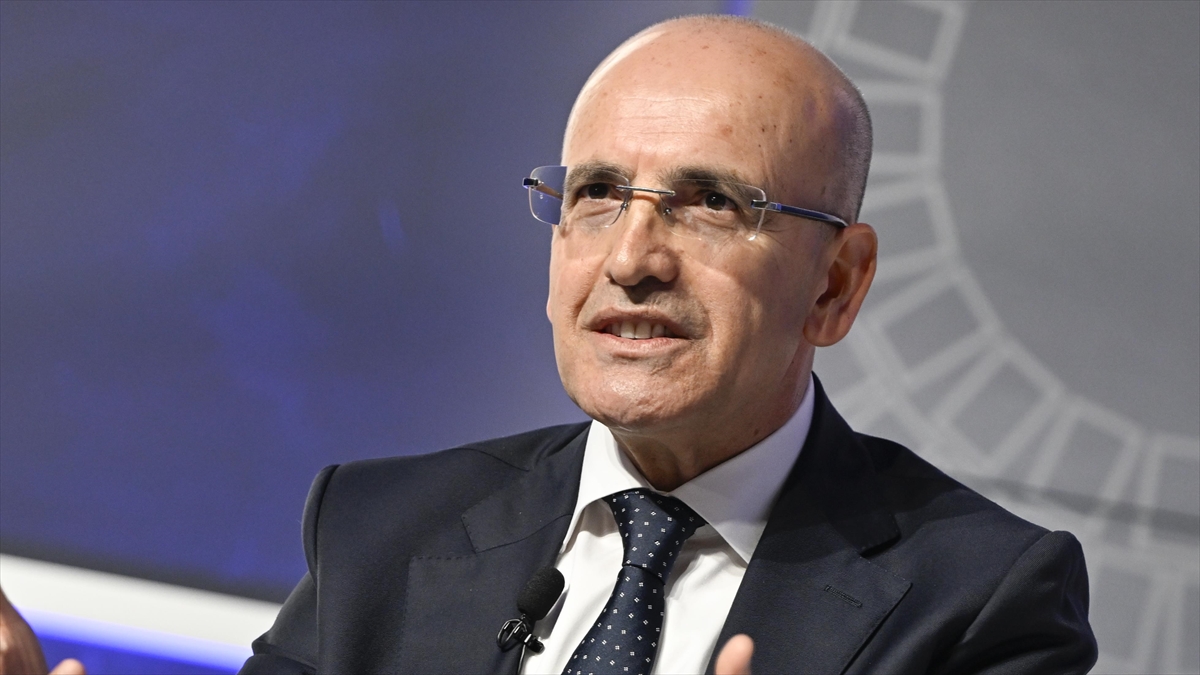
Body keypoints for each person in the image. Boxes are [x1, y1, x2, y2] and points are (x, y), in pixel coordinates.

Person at [241, 15, 1097, 675]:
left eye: (712, 203)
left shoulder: (981, 602)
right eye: (597, 193)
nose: (630, 259)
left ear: (835, 284)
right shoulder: (380, 529)